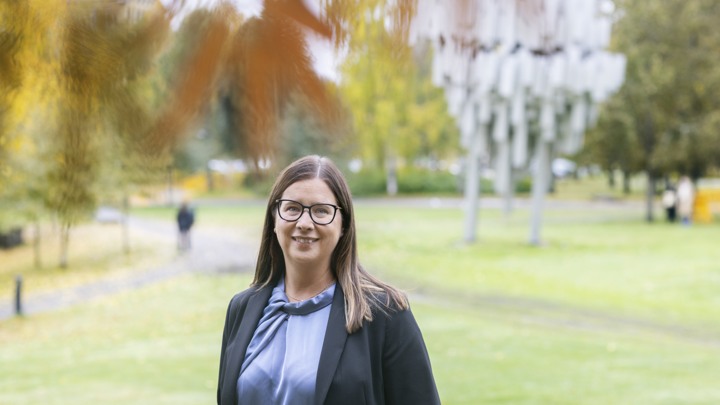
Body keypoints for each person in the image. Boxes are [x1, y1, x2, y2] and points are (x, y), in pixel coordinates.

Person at [217, 155, 440, 405]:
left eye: (321, 211)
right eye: (292, 208)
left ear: (344, 224)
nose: (304, 223)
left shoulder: (385, 313)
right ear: (274, 218)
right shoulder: (242, 308)